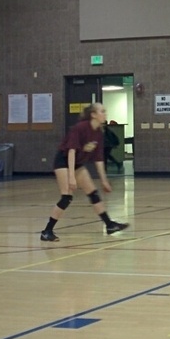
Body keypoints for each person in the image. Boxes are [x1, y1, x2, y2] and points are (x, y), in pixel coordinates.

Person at [39, 103, 129, 242]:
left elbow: (99, 159)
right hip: (64, 161)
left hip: (78, 164)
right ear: (93, 114)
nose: (105, 114)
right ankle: (47, 231)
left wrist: (104, 180)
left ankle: (109, 225)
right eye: (102, 111)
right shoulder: (80, 128)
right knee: (66, 197)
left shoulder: (98, 132)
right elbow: (71, 151)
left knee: (93, 193)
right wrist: (71, 177)